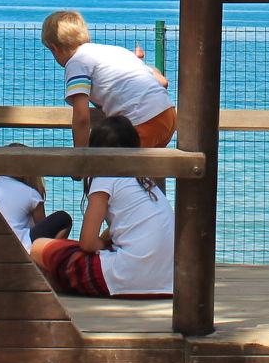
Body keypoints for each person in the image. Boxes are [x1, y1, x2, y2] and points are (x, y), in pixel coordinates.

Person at [28, 116, 174, 297]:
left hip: (126, 279)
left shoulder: (105, 176)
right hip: (167, 283)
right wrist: (105, 243)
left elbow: (88, 243)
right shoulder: (145, 182)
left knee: (38, 247)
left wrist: (102, 245)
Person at [41, 10, 176, 147]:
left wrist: (81, 157)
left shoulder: (76, 62)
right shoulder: (117, 51)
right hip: (168, 115)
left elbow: (81, 118)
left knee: (114, 165)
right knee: (147, 167)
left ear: (54, 48)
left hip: (141, 121)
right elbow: (163, 82)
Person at [0, 163, 72, 243]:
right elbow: (43, 231)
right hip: (21, 247)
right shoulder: (31, 193)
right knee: (64, 219)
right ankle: (50, 257)